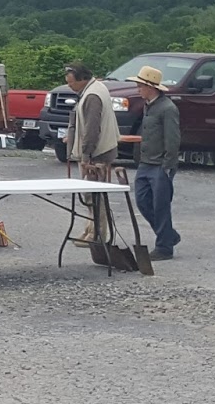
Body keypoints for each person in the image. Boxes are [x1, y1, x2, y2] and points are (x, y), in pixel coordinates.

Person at [127, 65, 182, 260]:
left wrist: (168, 165)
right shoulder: (148, 105)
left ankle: (164, 247)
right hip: (145, 162)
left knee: (160, 205)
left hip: (159, 164)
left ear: (151, 86)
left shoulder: (167, 108)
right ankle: (168, 235)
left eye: (140, 85)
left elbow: (173, 139)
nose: (137, 89)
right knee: (143, 201)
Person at [64, 61, 119, 242]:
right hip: (99, 150)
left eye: (72, 82)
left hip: (98, 152)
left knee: (95, 195)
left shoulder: (92, 96)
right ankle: (90, 229)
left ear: (82, 80)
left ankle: (98, 234)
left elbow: (92, 128)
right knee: (89, 194)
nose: (69, 85)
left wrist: (86, 155)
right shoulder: (93, 89)